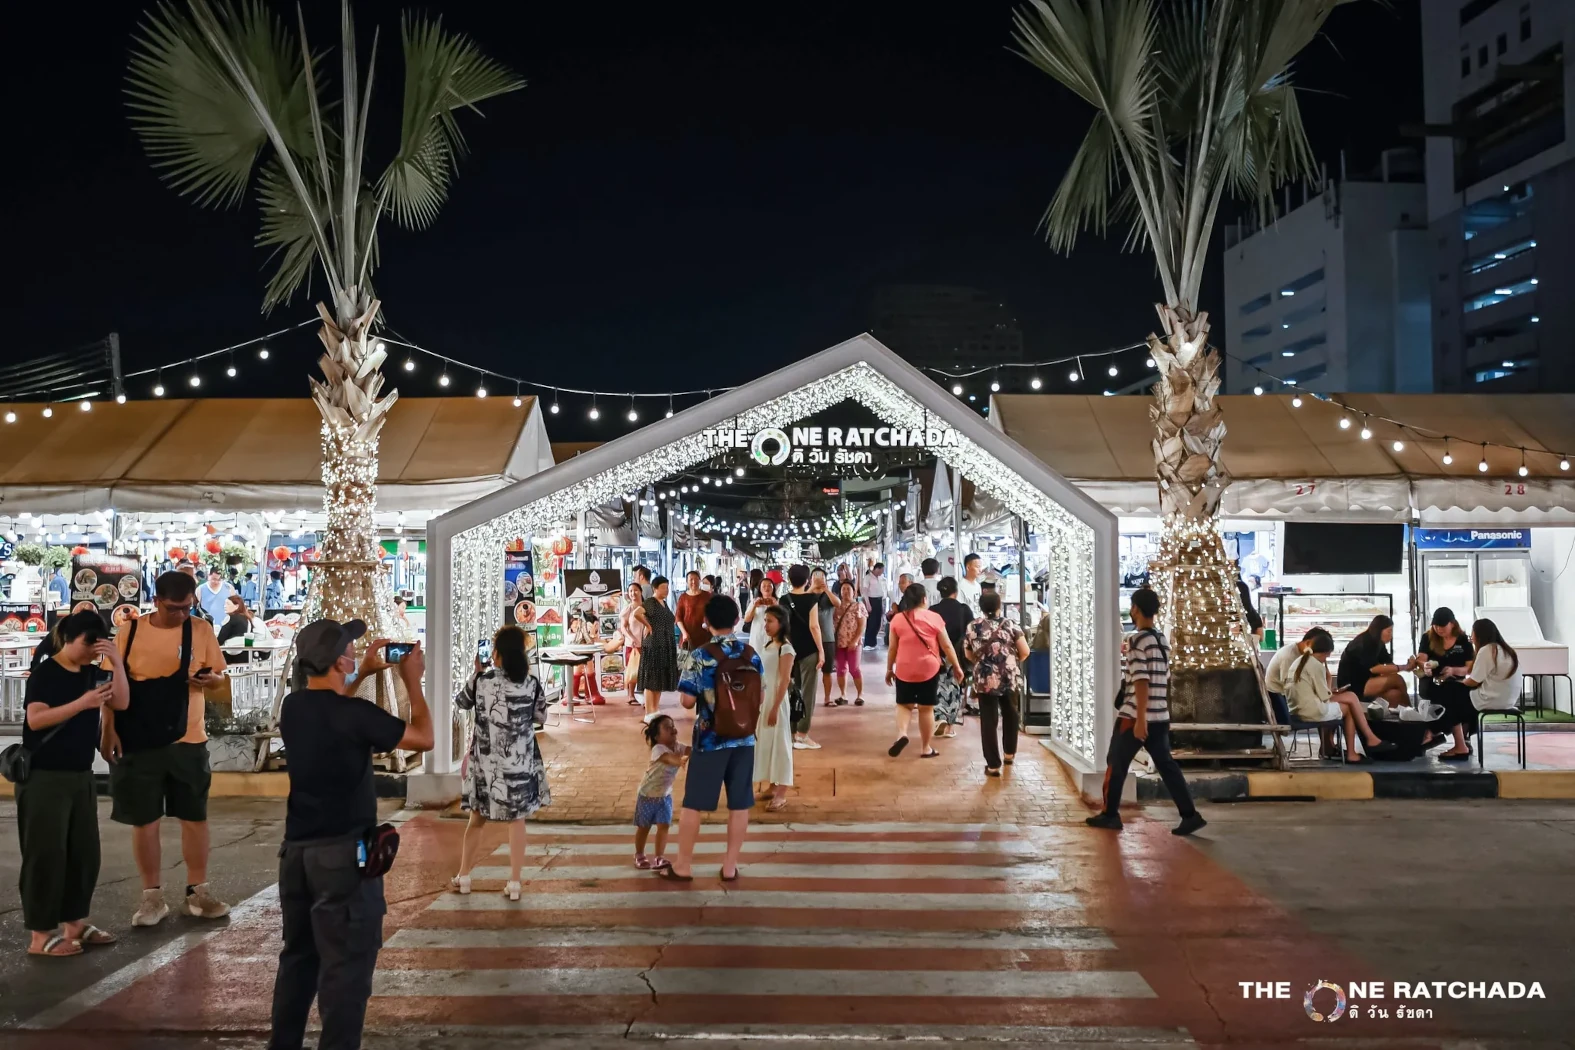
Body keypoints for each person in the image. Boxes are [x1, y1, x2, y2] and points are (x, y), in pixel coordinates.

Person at [269, 620, 432, 1050]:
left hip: (297, 856)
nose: (354, 652)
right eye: (351, 649)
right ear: (339, 660)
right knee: (345, 973)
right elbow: (424, 738)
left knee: (298, 962)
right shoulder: (356, 715)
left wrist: (363, 674)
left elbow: (332, 707)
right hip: (343, 858)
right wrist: (410, 681)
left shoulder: (294, 707)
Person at [103, 570, 230, 927]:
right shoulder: (129, 631)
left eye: (187, 608)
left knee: (195, 817)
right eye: (174, 608)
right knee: (144, 820)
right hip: (138, 739)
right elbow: (113, 687)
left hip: (188, 738)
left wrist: (210, 679)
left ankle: (198, 891)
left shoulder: (200, 630)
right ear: (156, 601)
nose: (181, 615)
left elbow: (219, 677)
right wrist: (108, 731)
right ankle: (151, 896)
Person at [17, 610, 129, 957]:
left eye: (99, 647)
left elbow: (121, 701)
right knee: (46, 854)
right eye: (88, 645)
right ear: (69, 639)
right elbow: (36, 720)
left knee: (83, 854)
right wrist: (81, 704)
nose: (92, 652)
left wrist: (117, 663)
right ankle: (40, 933)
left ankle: (74, 922)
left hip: (80, 775)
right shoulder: (46, 672)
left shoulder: (93, 673)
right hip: (44, 777)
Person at [657, 595, 761, 882]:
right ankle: (729, 867)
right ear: (737, 620)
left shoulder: (701, 655)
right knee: (740, 804)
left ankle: (683, 866)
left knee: (694, 804)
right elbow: (759, 696)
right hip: (744, 740)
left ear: (706, 622)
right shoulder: (751, 654)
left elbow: (688, 702)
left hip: (710, 739)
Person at [1086, 588, 1206, 836]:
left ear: (1136, 609)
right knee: (1167, 766)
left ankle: (1110, 814)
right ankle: (1190, 814)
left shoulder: (1136, 640)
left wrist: (1140, 719)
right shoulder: (1161, 640)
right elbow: (1163, 677)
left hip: (1134, 716)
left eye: (1132, 607)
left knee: (1115, 763)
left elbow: (1141, 680)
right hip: (1160, 715)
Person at [451, 625, 549, 902]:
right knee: (517, 822)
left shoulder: (482, 681)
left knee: (476, 820)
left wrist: (476, 671)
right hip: (519, 766)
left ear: (497, 653)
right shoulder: (531, 683)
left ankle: (465, 875)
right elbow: (541, 716)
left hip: (486, 766)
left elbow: (461, 702)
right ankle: (515, 882)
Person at [1284, 632, 1397, 762]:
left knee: (1350, 699)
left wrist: (1334, 693)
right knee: (1351, 700)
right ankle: (1360, 747)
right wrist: (1328, 678)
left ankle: (1366, 741)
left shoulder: (1300, 661)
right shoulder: (1315, 665)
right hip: (1311, 711)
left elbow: (1317, 693)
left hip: (1297, 710)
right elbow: (1324, 697)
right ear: (1326, 652)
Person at [885, 583, 964, 760]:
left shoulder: (897, 619)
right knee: (926, 709)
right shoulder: (934, 618)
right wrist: (957, 667)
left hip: (904, 667)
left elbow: (892, 648)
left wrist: (890, 669)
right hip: (928, 668)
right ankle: (925, 748)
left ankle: (902, 734)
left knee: (904, 705)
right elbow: (947, 645)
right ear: (924, 599)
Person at [964, 592, 1029, 777]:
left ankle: (993, 765)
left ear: (981, 607)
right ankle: (1009, 754)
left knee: (988, 720)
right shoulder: (1010, 625)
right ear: (999, 606)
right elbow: (1024, 651)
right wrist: (1011, 662)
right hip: (1008, 676)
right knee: (1010, 714)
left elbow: (968, 654)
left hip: (984, 678)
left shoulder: (973, 626)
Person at [752, 604, 795, 811]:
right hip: (765, 699)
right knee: (767, 742)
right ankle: (771, 784)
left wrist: (775, 707)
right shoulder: (768, 645)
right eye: (765, 621)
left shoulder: (785, 648)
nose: (766, 625)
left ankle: (781, 792)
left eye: (770, 621)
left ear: (781, 623)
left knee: (781, 744)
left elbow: (785, 680)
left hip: (776, 700)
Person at [1418, 608, 1476, 760]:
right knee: (1445, 693)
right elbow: (1421, 658)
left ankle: (1441, 733)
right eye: (1435, 626)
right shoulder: (1428, 637)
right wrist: (1425, 666)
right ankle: (1453, 739)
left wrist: (1453, 670)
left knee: (1463, 695)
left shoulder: (1463, 640)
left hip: (1456, 680)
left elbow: (1469, 668)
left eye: (1442, 626)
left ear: (1452, 624)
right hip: (1431, 680)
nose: (1438, 629)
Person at [634, 714, 688, 869]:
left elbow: (690, 750)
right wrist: (680, 760)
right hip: (647, 795)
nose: (672, 728)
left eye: (672, 725)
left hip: (664, 796)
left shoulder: (678, 746)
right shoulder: (658, 749)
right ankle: (639, 854)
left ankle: (659, 857)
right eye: (667, 727)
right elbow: (668, 759)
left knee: (663, 826)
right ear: (657, 736)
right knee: (644, 827)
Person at [783, 565, 827, 750]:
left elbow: (782, 626)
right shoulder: (812, 599)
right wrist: (821, 650)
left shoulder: (783, 599)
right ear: (807, 579)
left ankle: (792, 733)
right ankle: (802, 735)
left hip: (790, 650)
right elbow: (814, 627)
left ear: (789, 579)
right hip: (809, 650)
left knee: (793, 692)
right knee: (807, 693)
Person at [1337, 615, 1419, 710]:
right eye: (1389, 631)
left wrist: (1409, 665)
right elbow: (1374, 668)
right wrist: (1404, 667)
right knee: (1398, 679)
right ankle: (1412, 714)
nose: (1391, 635)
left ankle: (1397, 719)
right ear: (1379, 630)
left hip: (1366, 681)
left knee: (1395, 694)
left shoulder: (1378, 643)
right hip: (1353, 685)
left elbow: (1389, 664)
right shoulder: (1365, 642)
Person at [930, 577, 973, 737]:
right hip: (958, 655)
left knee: (939, 687)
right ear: (956, 591)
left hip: (937, 655)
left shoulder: (932, 610)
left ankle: (939, 717)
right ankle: (949, 726)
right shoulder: (964, 609)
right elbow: (971, 633)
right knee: (955, 689)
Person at [632, 576, 678, 724]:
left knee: (659, 678)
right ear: (655, 588)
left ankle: (655, 709)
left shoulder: (663, 603)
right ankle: (649, 711)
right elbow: (637, 613)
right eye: (664, 587)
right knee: (651, 678)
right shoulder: (651, 602)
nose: (667, 590)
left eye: (667, 587)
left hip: (665, 643)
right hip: (654, 643)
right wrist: (649, 625)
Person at [1464, 618, 1522, 724]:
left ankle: (1462, 734)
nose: (1471, 637)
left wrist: (1458, 683)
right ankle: (1465, 734)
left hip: (1493, 699)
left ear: (1480, 635)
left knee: (1457, 694)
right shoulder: (1507, 650)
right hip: (1509, 701)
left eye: (1472, 633)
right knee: (1465, 696)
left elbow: (1474, 681)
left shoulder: (1488, 650)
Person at [1265, 627, 1331, 698]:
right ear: (1308, 643)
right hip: (1278, 695)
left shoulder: (1303, 655)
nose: (1323, 660)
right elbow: (1289, 688)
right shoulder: (1289, 656)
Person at [832, 579, 866, 706]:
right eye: (843, 589)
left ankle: (860, 695)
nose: (845, 592)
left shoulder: (858, 606)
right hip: (839, 643)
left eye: (848, 589)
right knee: (841, 669)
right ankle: (843, 694)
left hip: (854, 643)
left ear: (854, 592)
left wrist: (855, 640)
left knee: (854, 668)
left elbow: (862, 625)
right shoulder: (836, 607)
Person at [810, 568, 840, 708]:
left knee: (827, 670)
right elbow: (799, 602)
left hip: (827, 638)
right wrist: (812, 588)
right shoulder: (807, 594)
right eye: (815, 576)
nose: (818, 579)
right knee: (809, 671)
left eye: (821, 577)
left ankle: (827, 698)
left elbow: (838, 603)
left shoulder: (829, 596)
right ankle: (807, 698)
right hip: (809, 638)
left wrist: (826, 589)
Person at [566, 609, 606, 705]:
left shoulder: (591, 638)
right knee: (578, 671)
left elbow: (598, 640)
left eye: (596, 631)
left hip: (588, 655)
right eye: (589, 630)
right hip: (578, 655)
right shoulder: (573, 637)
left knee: (590, 671)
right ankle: (572, 694)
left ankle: (591, 694)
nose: (592, 634)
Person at [619, 582, 648, 705]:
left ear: (641, 591)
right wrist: (632, 639)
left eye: (635, 590)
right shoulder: (628, 609)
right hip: (632, 644)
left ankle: (648, 698)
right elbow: (623, 628)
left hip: (646, 643)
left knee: (646, 670)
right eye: (630, 591)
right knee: (632, 669)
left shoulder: (647, 607)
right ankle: (631, 695)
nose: (633, 593)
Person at [674, 571, 709, 655]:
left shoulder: (707, 596)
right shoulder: (683, 598)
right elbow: (678, 617)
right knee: (688, 664)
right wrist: (684, 633)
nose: (694, 582)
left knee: (704, 663)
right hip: (688, 637)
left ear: (700, 580)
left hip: (705, 635)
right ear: (687, 582)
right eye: (691, 580)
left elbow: (713, 613)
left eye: (696, 579)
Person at [743, 576, 779, 653]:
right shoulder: (754, 602)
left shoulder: (778, 602)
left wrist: (774, 606)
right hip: (757, 636)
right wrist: (754, 606)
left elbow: (782, 619)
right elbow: (747, 619)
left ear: (773, 588)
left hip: (773, 636)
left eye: (769, 585)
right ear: (760, 589)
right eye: (764, 586)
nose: (767, 588)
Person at [860, 562, 888, 650]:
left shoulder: (880, 578)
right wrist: (868, 604)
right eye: (881, 570)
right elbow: (864, 591)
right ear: (877, 569)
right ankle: (868, 643)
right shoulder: (868, 577)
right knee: (871, 622)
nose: (882, 572)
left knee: (877, 622)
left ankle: (873, 642)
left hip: (879, 600)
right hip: (872, 601)